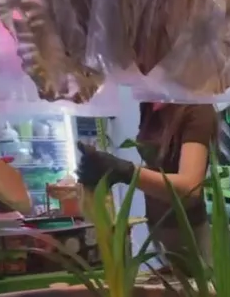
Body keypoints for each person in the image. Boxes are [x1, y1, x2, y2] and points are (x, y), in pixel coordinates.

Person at [76, 102, 218, 266]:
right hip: (158, 231)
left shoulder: (198, 109)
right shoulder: (150, 105)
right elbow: (159, 167)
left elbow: (189, 189)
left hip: (190, 237)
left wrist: (127, 171)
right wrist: (109, 169)